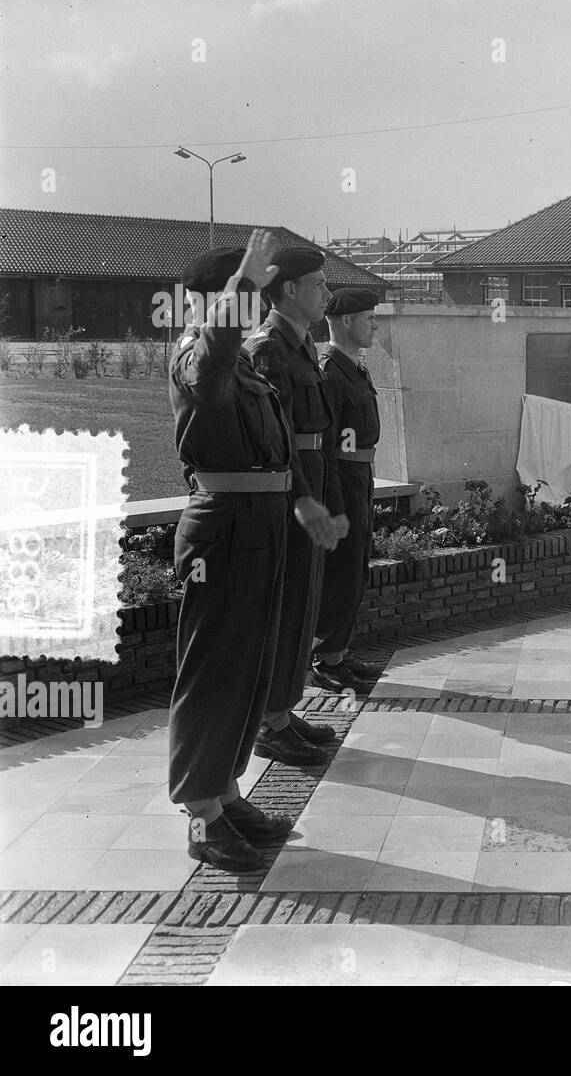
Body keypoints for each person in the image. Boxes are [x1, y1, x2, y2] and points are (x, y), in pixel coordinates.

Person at [168, 233, 340, 872]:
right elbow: (212, 359)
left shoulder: (243, 366)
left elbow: (279, 451)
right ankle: (202, 814)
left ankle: (226, 791)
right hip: (225, 530)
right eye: (237, 300)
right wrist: (244, 284)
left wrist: (303, 503)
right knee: (214, 673)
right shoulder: (196, 354)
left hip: (261, 526)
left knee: (248, 668)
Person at [244, 247, 348, 765]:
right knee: (286, 610)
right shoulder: (269, 349)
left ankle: (283, 711)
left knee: (304, 605)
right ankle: (269, 721)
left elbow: (319, 434)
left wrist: (329, 498)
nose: (327, 295)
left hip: (313, 485)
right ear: (289, 290)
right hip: (290, 498)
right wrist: (306, 501)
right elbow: (280, 438)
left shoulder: (301, 346)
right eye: (319, 286)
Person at [313, 288, 385, 691]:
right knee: (340, 570)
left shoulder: (355, 367)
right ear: (344, 322)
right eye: (368, 318)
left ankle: (338, 653)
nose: (374, 325)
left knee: (355, 567)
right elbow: (326, 445)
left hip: (360, 476)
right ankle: (324, 659)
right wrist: (335, 502)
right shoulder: (330, 372)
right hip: (342, 478)